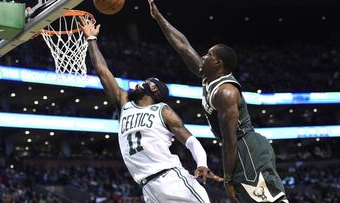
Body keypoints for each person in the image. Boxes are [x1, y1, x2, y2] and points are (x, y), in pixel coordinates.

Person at [147, 1, 288, 203]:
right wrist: (159, 18)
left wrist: (227, 181)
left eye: (209, 54)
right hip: (239, 148)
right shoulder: (210, 79)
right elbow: (183, 47)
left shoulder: (226, 92)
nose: (203, 56)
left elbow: (230, 139)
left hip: (246, 147)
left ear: (218, 63)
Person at [78, 17, 221, 203]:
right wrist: (91, 40)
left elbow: (191, 140)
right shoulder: (124, 104)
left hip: (171, 180)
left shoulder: (162, 110)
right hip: (148, 188)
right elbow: (102, 71)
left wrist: (202, 163)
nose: (137, 84)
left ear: (153, 89)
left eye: (143, 83)